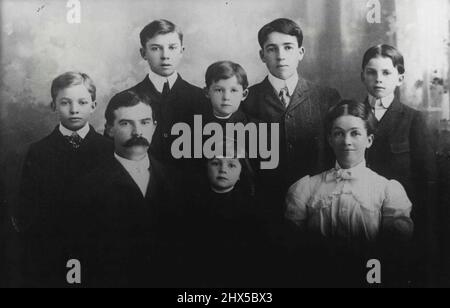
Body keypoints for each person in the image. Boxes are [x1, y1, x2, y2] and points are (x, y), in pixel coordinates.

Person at [285, 100, 413, 286]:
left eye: (355, 133)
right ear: (330, 139)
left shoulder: (387, 190)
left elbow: (393, 254)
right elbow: (295, 251)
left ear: (369, 140)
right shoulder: (306, 188)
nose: (346, 141)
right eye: (338, 133)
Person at [74, 90, 183, 287]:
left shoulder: (176, 181)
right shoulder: (88, 187)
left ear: (154, 127)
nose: (138, 132)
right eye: (125, 123)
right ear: (109, 129)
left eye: (145, 122)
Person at [14, 71, 113, 287]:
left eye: (82, 102)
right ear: (54, 106)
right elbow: (27, 208)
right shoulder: (39, 152)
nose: (75, 109)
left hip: (101, 248)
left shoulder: (109, 149)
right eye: (65, 102)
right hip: (54, 250)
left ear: (94, 105)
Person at [242, 18, 341, 220]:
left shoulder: (327, 97)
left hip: (318, 205)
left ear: (300, 53)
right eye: (272, 49)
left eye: (288, 47)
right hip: (265, 208)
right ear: (262, 55)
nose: (280, 56)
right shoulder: (247, 99)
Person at [361, 44, 438, 286]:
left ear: (400, 77)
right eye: (371, 72)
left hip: (399, 222)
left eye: (386, 73)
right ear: (362, 75)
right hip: (358, 218)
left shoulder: (414, 119)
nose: (378, 79)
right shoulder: (352, 115)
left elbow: (427, 182)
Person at [114, 19, 207, 165]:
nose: (165, 55)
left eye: (172, 47)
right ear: (143, 53)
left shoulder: (201, 98)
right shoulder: (123, 100)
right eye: (156, 48)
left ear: (182, 51)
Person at [187, 139, 268, 287]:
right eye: (216, 163)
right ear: (205, 167)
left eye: (231, 164)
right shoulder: (190, 207)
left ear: (240, 172)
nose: (223, 169)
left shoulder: (253, 210)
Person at [203, 61, 249, 127]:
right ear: (207, 92)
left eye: (233, 90)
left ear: (244, 94)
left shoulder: (256, 128)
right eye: (219, 90)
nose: (226, 97)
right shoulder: (195, 125)